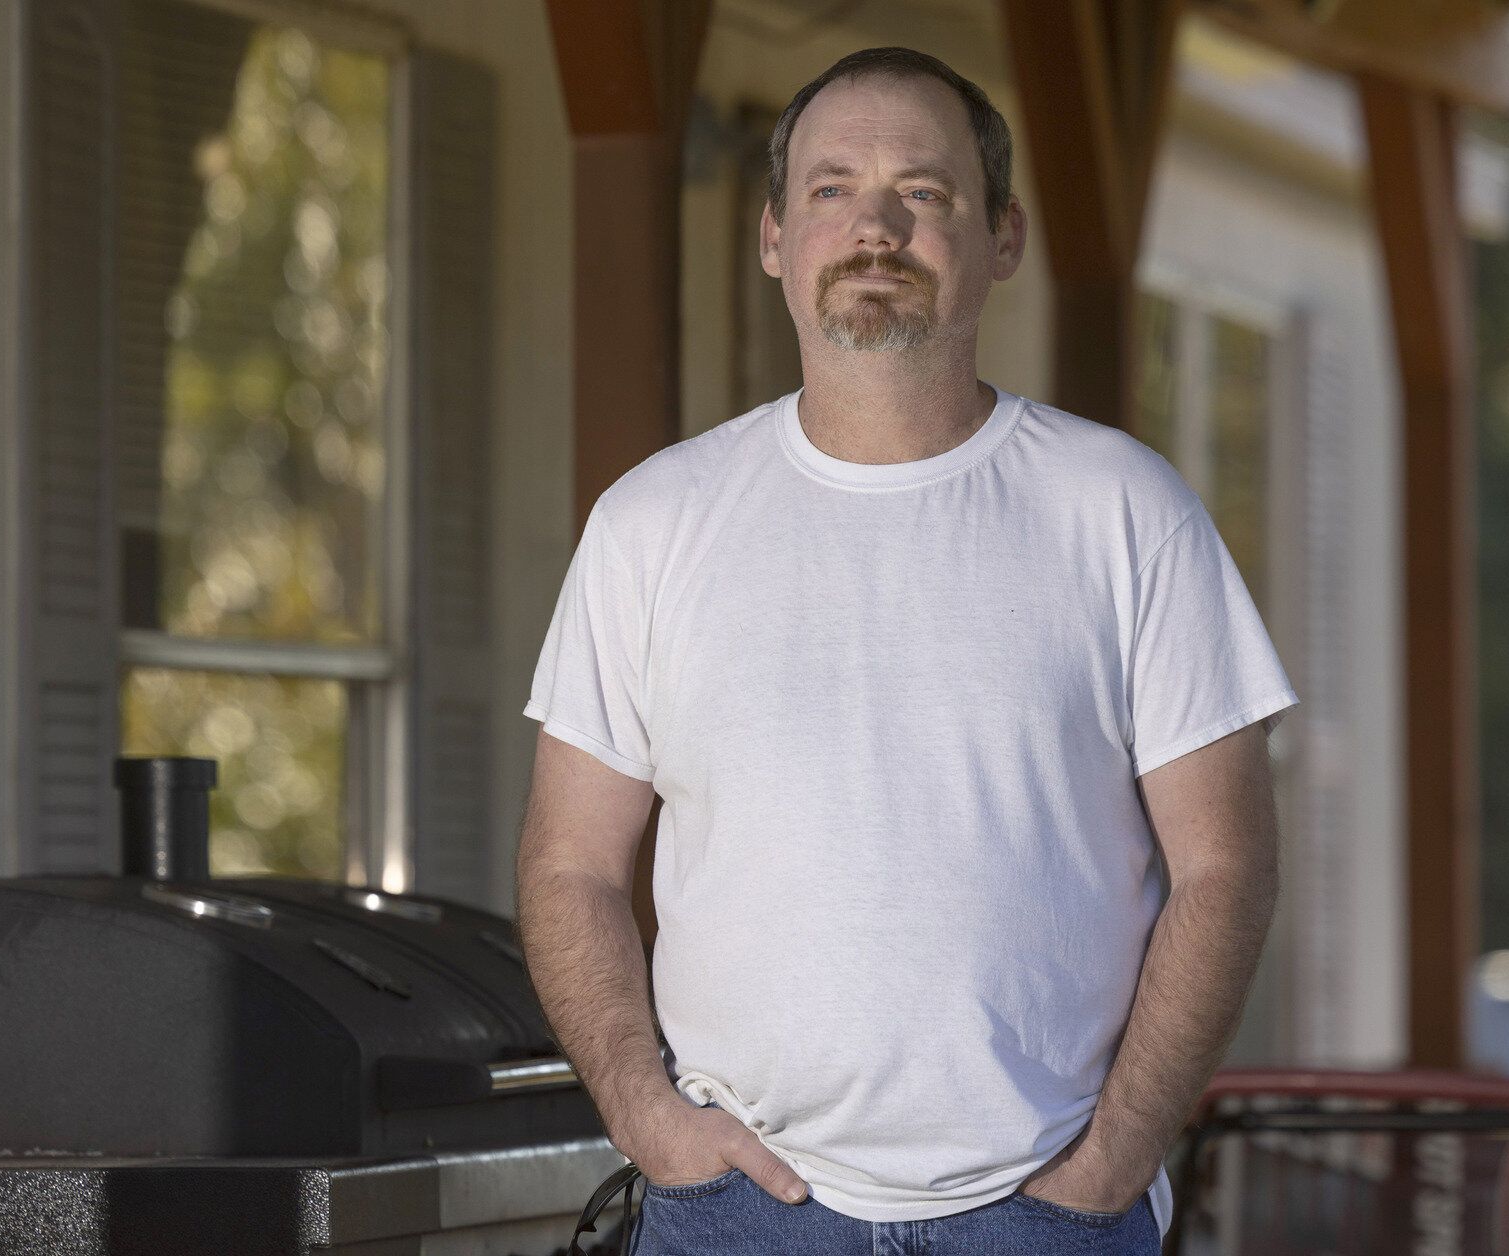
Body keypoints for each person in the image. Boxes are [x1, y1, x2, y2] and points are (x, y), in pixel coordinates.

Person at [519, 45, 1297, 1256]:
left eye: (922, 193)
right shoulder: (651, 525)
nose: (873, 226)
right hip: (734, 1216)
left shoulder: (1125, 512)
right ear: (774, 235)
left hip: (1044, 1217)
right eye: (831, 189)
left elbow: (1226, 866)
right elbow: (569, 864)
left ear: (1003, 238)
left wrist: (1112, 1161)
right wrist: (647, 1119)